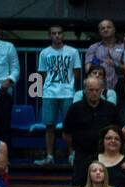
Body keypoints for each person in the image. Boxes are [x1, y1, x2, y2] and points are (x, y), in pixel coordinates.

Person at [35, 25, 82, 166]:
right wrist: (46, 88)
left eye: (59, 33)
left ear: (63, 35)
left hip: (67, 92)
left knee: (70, 126)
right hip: (50, 93)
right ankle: (49, 156)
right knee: (49, 126)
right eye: (54, 33)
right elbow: (42, 74)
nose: (57, 35)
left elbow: (77, 72)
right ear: (50, 35)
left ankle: (72, 154)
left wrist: (68, 84)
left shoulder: (73, 51)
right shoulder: (44, 53)